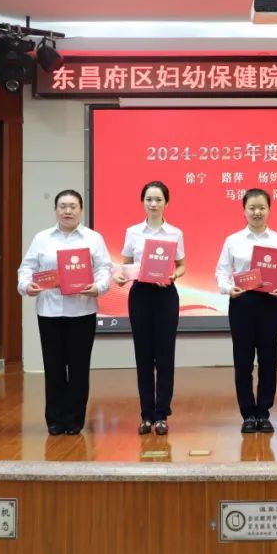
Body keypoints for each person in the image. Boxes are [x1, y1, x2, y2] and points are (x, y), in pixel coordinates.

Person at [18, 189, 113, 436]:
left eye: (72, 206)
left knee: (79, 368)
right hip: (49, 311)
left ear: (81, 210)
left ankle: (74, 420)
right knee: (54, 367)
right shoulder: (42, 238)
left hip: (82, 310)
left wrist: (99, 286)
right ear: (55, 210)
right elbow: (26, 268)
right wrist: (27, 286)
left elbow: (104, 268)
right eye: (62, 206)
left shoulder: (93, 238)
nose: (67, 211)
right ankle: (55, 419)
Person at [215, 188, 277, 435]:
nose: (257, 212)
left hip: (270, 303)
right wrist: (228, 288)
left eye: (262, 207)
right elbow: (221, 272)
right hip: (242, 303)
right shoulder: (233, 240)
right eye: (252, 208)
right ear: (244, 210)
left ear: (269, 210)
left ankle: (263, 412)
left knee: (269, 360)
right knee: (243, 360)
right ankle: (248, 413)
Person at [113, 181, 185, 436]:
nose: (153, 204)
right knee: (143, 356)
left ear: (166, 202)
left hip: (165, 295)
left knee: (165, 356)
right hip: (140, 296)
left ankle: (162, 414)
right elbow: (126, 264)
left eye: (158, 200)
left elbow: (182, 265)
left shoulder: (175, 233)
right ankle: (146, 415)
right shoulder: (133, 232)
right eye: (149, 199)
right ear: (142, 202)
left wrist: (173, 275)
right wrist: (120, 276)